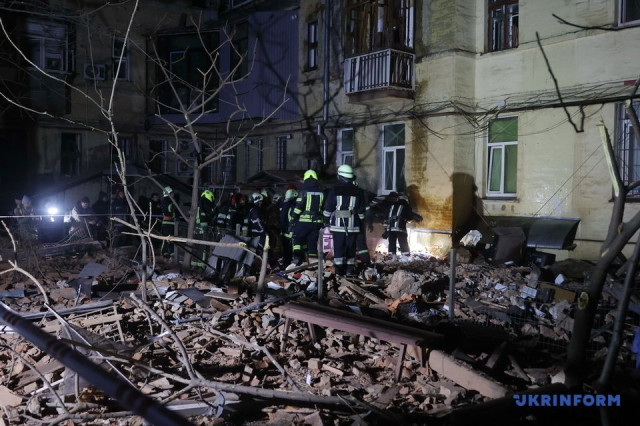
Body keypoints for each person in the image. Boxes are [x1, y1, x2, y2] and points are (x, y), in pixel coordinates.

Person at [322, 165, 367, 276]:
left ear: (340, 176)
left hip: (338, 226)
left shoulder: (334, 190)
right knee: (351, 248)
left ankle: (339, 271)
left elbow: (328, 207)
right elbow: (361, 210)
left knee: (339, 248)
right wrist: (361, 222)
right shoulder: (358, 191)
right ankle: (349, 270)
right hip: (353, 226)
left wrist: (326, 220)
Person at [289, 169, 325, 266]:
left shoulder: (304, 191)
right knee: (312, 242)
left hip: (304, 222)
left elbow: (298, 207)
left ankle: (297, 258)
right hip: (317, 223)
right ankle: (313, 263)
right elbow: (324, 208)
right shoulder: (321, 192)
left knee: (296, 238)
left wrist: (293, 219)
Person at [383, 192, 423, 259]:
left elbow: (386, 217)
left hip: (390, 228)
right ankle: (405, 257)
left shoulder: (390, 206)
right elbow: (409, 217)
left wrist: (386, 230)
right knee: (403, 242)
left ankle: (391, 257)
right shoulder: (405, 206)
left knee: (391, 242)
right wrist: (411, 219)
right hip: (400, 228)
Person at [279, 188, 298, 267]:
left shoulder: (283, 205)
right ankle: (291, 265)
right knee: (292, 250)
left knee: (286, 251)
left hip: (284, 232)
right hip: (290, 232)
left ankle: (285, 265)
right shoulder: (292, 205)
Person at [160, 186, 176, 258]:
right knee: (166, 238)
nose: (173, 194)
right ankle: (164, 253)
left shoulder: (168, 201)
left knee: (171, 238)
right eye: (172, 193)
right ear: (169, 193)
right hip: (168, 222)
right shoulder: (167, 201)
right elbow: (171, 210)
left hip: (170, 222)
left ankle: (171, 253)